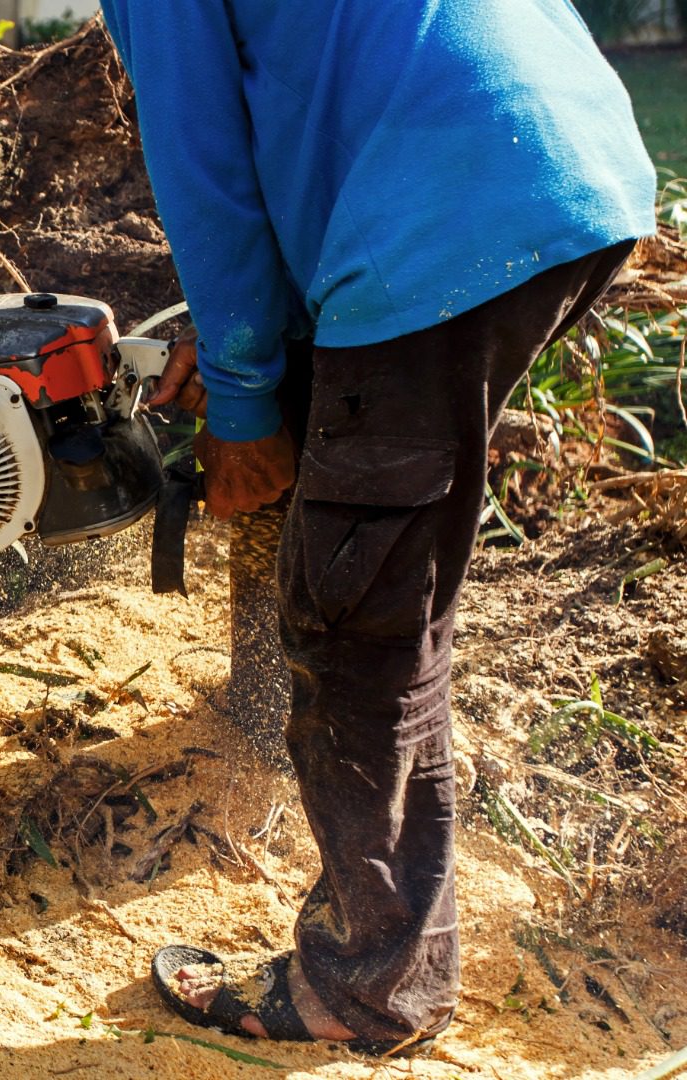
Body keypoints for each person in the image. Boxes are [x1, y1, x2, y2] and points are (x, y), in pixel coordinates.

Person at [93, 0, 657, 1056]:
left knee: (354, 628)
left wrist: (248, 399)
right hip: (571, 157)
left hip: (447, 200)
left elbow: (203, 155)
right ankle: (402, 937)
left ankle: (364, 990)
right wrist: (233, 345)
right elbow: (330, 90)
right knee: (384, 574)